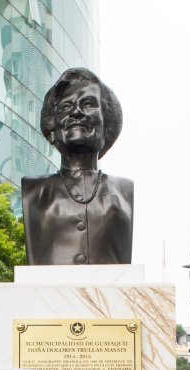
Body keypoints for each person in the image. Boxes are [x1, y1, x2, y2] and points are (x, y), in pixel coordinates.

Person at [21, 68, 134, 265]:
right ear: (53, 128)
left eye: (88, 104)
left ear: (107, 124)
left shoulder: (125, 191)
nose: (76, 112)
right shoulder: (33, 192)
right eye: (66, 107)